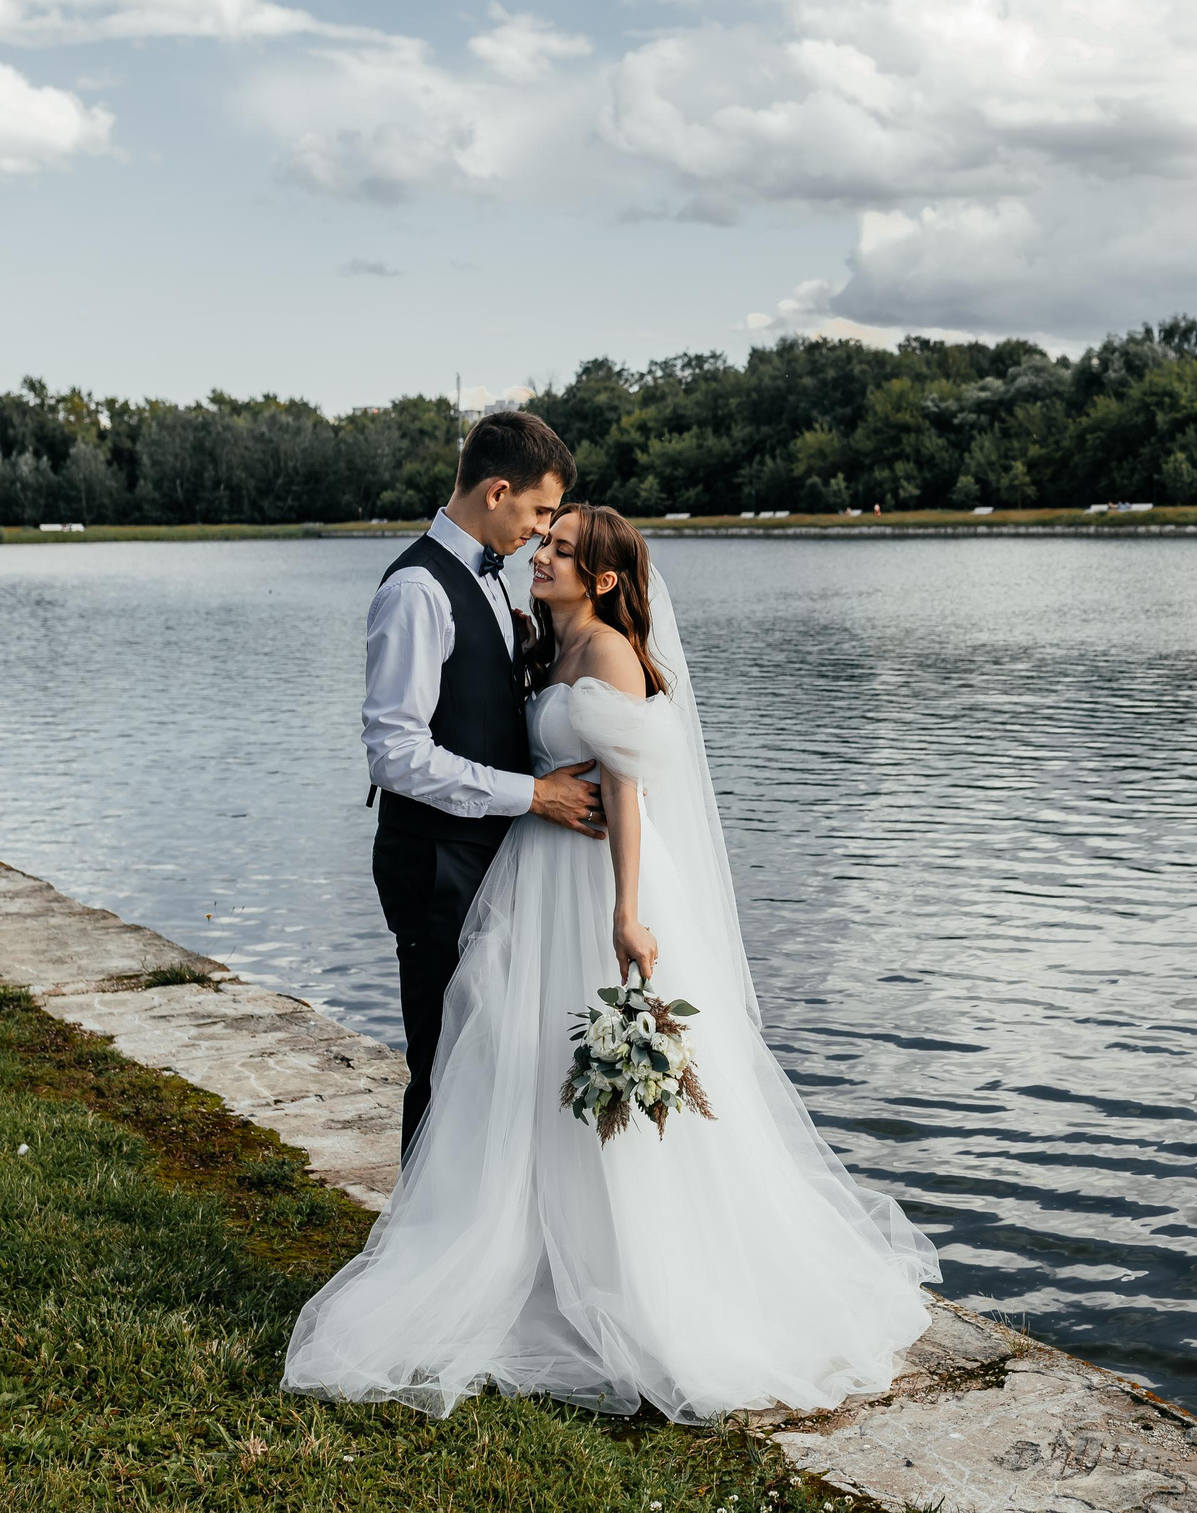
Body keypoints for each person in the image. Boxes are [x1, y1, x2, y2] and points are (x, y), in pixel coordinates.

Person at [288, 505, 939, 1421]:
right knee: (519, 1063)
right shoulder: (547, 643)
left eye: (560, 550)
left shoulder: (607, 654)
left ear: (600, 578)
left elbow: (626, 792)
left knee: (593, 1079)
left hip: (594, 879)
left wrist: (628, 911)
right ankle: (538, 1259)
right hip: (535, 870)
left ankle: (638, 1276)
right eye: (541, 540)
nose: (540, 555)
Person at [363, 412, 603, 1156]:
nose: (539, 531)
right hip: (434, 861)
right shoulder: (416, 590)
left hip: (488, 858)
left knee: (494, 1060)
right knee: (442, 1063)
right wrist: (535, 795)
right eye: (537, 511)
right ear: (498, 491)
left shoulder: (495, 585)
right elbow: (395, 753)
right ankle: (415, 1250)